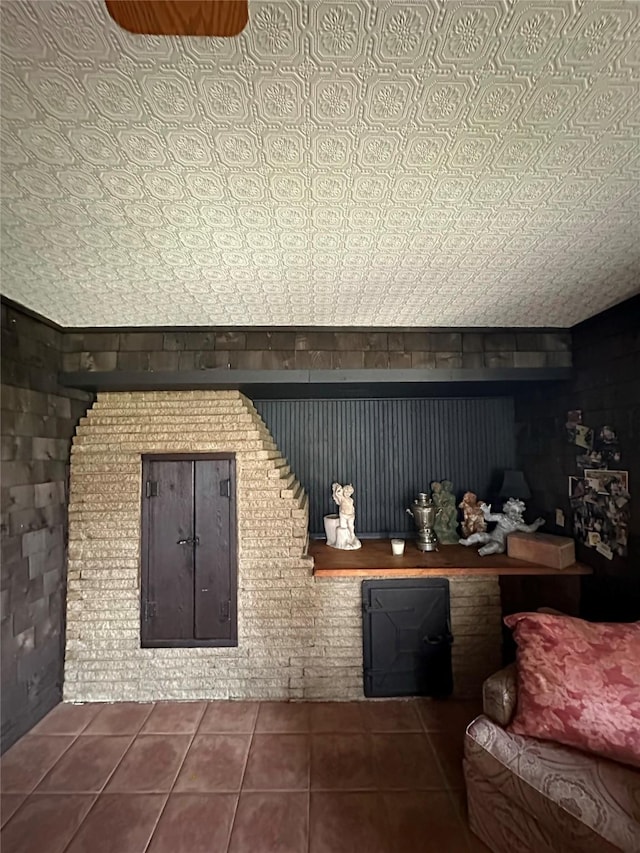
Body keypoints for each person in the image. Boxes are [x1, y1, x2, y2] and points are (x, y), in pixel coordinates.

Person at [459, 498, 544, 556]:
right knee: (480, 535)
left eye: (517, 512)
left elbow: (529, 529)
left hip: (500, 544)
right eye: (513, 511)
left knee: (494, 546)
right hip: (491, 536)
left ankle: (482, 551)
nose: (514, 514)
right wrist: (486, 512)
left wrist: (537, 523)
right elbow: (489, 518)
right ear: (507, 509)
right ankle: (467, 541)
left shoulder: (517, 524)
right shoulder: (501, 517)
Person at [331, 482, 361, 549]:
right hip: (343, 515)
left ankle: (352, 536)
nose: (347, 494)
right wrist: (338, 488)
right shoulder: (342, 498)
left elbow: (352, 507)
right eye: (346, 492)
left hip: (350, 515)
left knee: (351, 526)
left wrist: (353, 513)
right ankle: (345, 540)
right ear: (343, 492)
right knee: (343, 527)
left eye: (349, 493)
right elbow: (337, 494)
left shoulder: (351, 500)